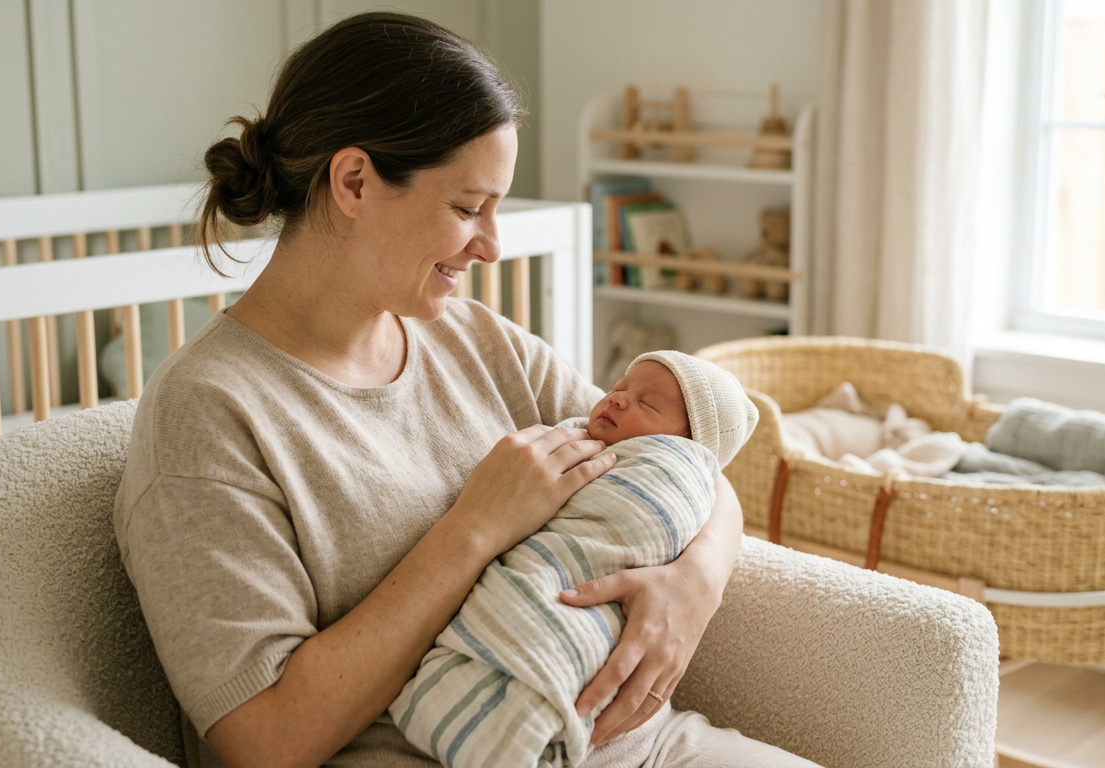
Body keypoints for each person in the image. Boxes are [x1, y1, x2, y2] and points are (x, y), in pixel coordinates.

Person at [114, 11, 818, 768]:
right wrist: (473, 528)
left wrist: (693, 584)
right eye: (466, 207)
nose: (491, 245)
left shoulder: (481, 342)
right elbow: (265, 738)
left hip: (638, 747)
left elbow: (689, 461)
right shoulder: (210, 414)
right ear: (353, 181)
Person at [391, 353, 761, 767]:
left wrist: (697, 582)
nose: (618, 399)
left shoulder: (498, 348)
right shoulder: (597, 433)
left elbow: (711, 474)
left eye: (647, 403)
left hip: (647, 736)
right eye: (619, 388)